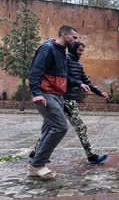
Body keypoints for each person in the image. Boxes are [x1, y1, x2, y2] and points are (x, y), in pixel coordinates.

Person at [30, 42, 109, 164]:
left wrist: (99, 92)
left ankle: (36, 153)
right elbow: (63, 78)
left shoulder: (78, 65)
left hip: (66, 99)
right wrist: (78, 83)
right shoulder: (64, 60)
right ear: (73, 49)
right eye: (79, 51)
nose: (81, 53)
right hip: (63, 99)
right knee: (80, 127)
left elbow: (86, 81)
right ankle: (91, 156)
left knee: (51, 127)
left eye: (82, 51)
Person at [28, 25, 83, 180]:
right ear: (64, 34)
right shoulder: (48, 48)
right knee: (60, 127)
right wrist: (37, 93)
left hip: (58, 95)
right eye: (74, 37)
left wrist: (79, 83)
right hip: (46, 94)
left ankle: (36, 162)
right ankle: (37, 164)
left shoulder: (61, 52)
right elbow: (35, 71)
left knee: (48, 129)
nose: (76, 41)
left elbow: (62, 76)